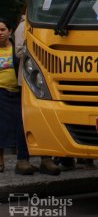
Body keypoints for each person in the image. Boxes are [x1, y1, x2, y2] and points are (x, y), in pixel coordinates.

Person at [13, 11, 62, 176]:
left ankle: (46, 158)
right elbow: (19, 52)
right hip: (29, 78)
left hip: (44, 77)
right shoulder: (23, 26)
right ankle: (22, 159)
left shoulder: (44, 25)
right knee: (25, 120)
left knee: (44, 117)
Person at [0, 16, 36, 175]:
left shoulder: (16, 50)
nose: (0, 33)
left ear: (10, 31)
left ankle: (22, 159)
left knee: (19, 127)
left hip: (18, 93)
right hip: (0, 92)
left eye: (2, 30)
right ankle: (0, 161)